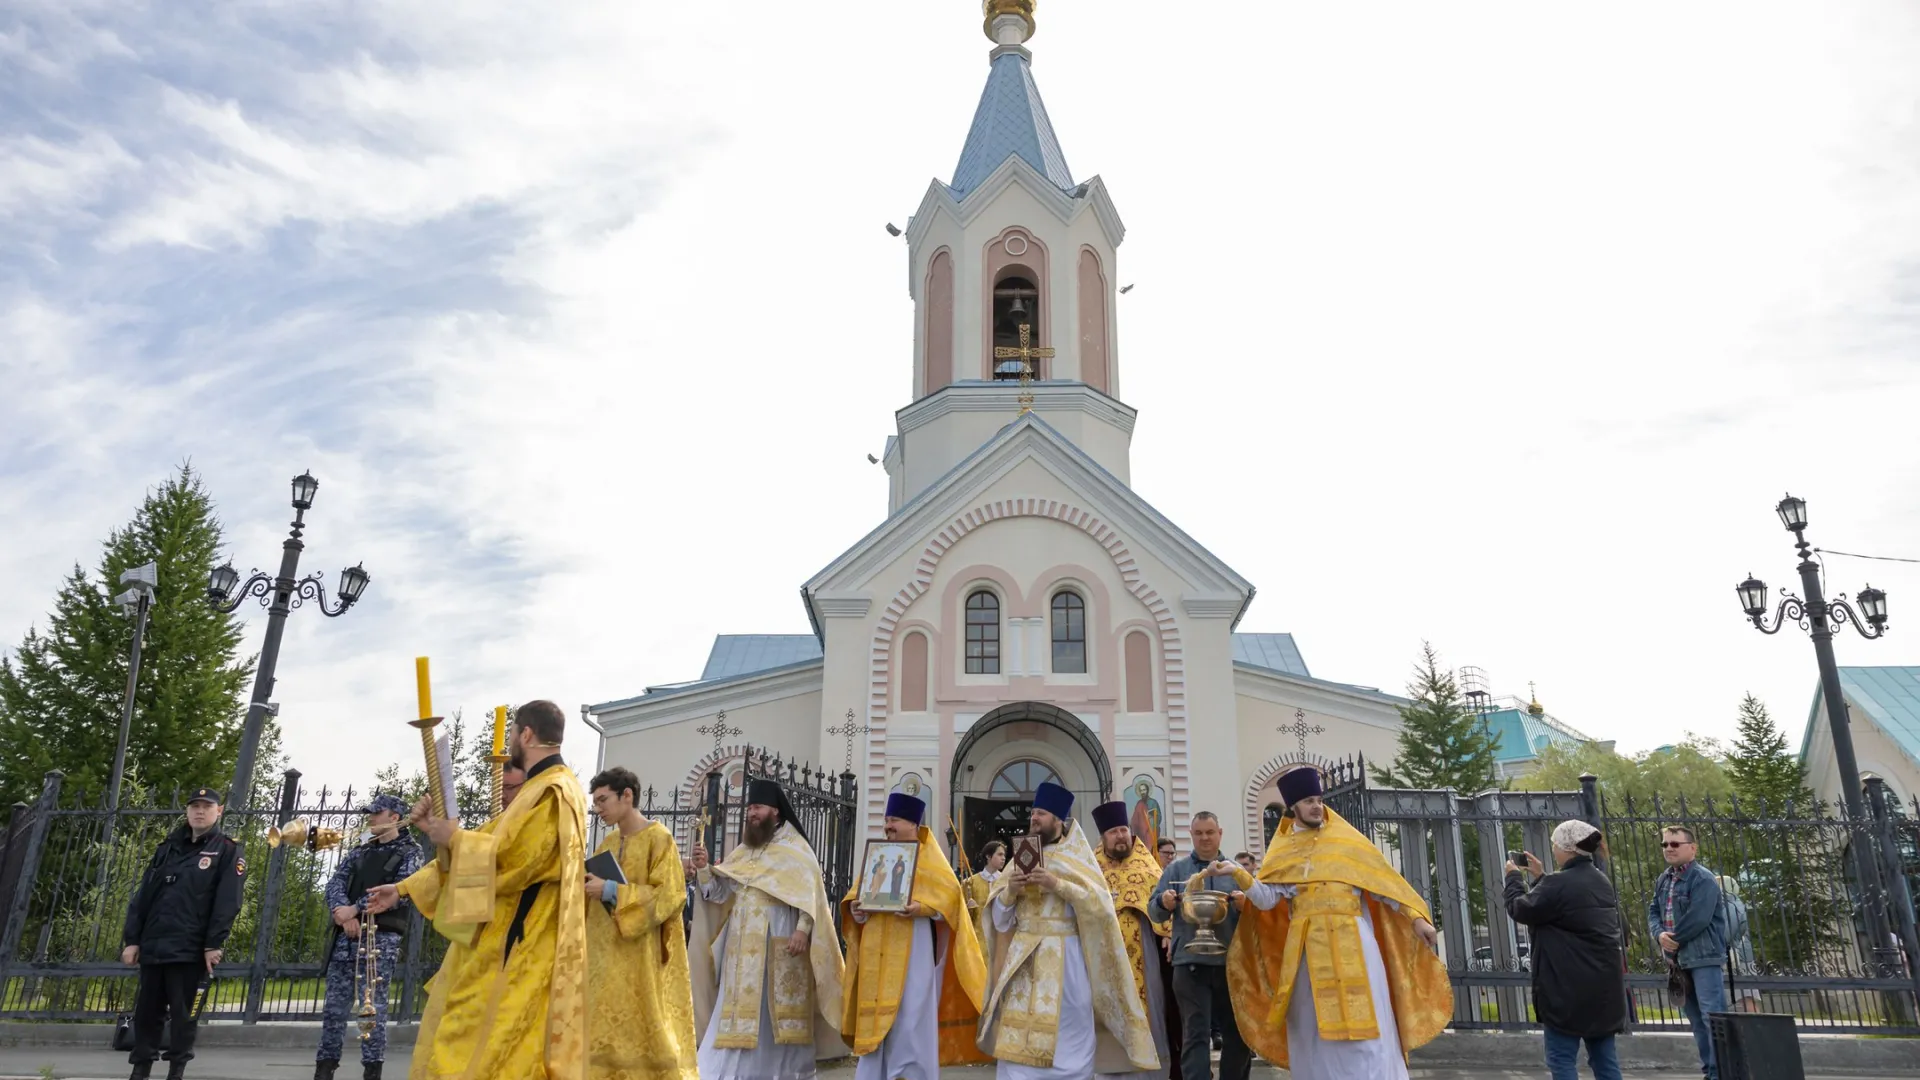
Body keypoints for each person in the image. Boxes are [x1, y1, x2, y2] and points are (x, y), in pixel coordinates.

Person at [365, 699, 589, 1080]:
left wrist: (455, 837)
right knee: (464, 1037)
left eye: (515, 733)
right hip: (497, 940)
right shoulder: (536, 790)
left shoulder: (555, 791)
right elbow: (484, 841)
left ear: (527, 734)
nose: (513, 741)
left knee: (492, 1049)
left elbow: (521, 859)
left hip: (522, 943)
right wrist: (404, 886)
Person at [1226, 766, 1451, 1080]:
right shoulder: (1283, 851)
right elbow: (1266, 901)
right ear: (1293, 807)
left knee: (1370, 1023)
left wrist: (1417, 920)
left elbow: (1385, 888)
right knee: (1312, 1026)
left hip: (1356, 944)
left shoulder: (1347, 842)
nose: (1316, 806)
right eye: (1308, 801)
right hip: (1307, 951)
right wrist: (1240, 875)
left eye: (1318, 799)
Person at [977, 782, 1157, 1080]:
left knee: (1070, 1044)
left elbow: (1100, 908)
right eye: (1033, 812)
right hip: (1024, 963)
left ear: (1058, 820)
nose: (1034, 818)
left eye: (1041, 813)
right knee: (1017, 1052)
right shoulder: (1018, 859)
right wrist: (1010, 891)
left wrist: (1056, 884)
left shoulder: (1078, 859)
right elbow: (999, 921)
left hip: (1068, 963)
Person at [688, 778, 845, 1080]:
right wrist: (706, 870)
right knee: (738, 1014)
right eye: (749, 808)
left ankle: (785, 1073)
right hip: (741, 945)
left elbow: (810, 893)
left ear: (775, 810)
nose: (751, 813)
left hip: (780, 940)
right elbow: (720, 894)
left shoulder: (795, 848)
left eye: (757, 807)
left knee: (777, 1018)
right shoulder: (746, 849)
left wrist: (802, 929)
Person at [840, 792, 989, 1080]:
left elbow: (950, 900)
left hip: (914, 952)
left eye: (894, 820)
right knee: (875, 1022)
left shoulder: (930, 861)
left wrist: (924, 908)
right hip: (876, 951)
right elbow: (857, 899)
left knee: (910, 1019)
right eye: (886, 820)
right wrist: (858, 909)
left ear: (912, 823)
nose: (888, 826)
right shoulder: (880, 855)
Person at [121, 786, 245, 1080]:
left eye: (206, 806)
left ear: (219, 811)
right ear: (187, 811)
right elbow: (144, 896)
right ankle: (141, 1070)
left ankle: (176, 1071)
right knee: (147, 1013)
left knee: (183, 1015)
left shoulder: (226, 850)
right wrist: (133, 939)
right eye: (194, 806)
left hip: (190, 949)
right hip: (154, 944)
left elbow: (228, 901)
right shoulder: (167, 847)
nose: (199, 811)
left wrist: (213, 943)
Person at [584, 766, 697, 1080]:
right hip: (605, 959)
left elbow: (671, 894)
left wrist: (611, 891)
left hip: (640, 959)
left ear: (627, 795)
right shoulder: (607, 842)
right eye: (595, 802)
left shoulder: (659, 838)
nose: (598, 808)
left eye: (603, 799)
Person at [1503, 820, 1628, 1080]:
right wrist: (1540, 878)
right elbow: (1562, 907)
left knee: (1561, 1059)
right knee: (1604, 1060)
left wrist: (1513, 878)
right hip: (1604, 990)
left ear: (1566, 848)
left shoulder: (1559, 884)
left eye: (1555, 845)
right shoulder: (1600, 880)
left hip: (1566, 990)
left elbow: (1521, 909)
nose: (1553, 851)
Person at [315, 794, 423, 1080]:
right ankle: (325, 1068)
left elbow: (400, 893)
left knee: (371, 1007)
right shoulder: (363, 848)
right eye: (370, 813)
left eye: (378, 813)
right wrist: (343, 913)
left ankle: (372, 1070)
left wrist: (355, 910)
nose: (371, 818)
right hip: (346, 934)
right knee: (334, 1007)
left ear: (395, 818)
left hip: (380, 939)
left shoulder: (411, 853)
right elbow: (336, 881)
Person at [1147, 811, 1257, 1080]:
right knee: (1195, 1035)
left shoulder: (1237, 872)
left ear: (1220, 833)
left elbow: (1262, 914)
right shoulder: (1176, 870)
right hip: (1189, 965)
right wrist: (1164, 901)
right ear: (1191, 835)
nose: (1205, 838)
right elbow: (1154, 911)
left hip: (1231, 967)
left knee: (1239, 1035)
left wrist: (1247, 906)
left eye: (1210, 832)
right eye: (1199, 833)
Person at [1092, 802, 1171, 1080]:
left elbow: (1163, 900)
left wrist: (1168, 932)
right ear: (1103, 837)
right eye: (1113, 831)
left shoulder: (1146, 865)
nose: (1121, 836)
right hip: (1102, 954)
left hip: (1142, 950)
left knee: (1148, 1008)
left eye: (1123, 829)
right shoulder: (1090, 867)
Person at [1646, 826, 1727, 1080]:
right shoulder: (1664, 879)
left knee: (1711, 1017)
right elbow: (1653, 912)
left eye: (1675, 844)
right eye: (1665, 844)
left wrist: (1674, 940)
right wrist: (1659, 934)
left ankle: (1721, 1073)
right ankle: (1709, 1070)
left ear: (1692, 848)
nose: (1669, 848)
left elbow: (1699, 917)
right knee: (1694, 1018)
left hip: (1703, 958)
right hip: (1677, 961)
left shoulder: (1702, 878)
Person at [1714, 875, 1761, 1012]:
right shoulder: (1732, 903)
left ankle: (1755, 1026)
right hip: (1739, 954)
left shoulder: (1730, 904)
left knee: (1745, 996)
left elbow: (1726, 933)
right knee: (1743, 995)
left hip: (1737, 956)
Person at [967, 841, 1008, 960]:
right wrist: (968, 908)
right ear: (988, 856)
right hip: (977, 939)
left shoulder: (1006, 882)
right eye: (999, 855)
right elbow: (963, 917)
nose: (1003, 858)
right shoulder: (970, 882)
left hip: (1000, 938)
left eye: (1004, 855)